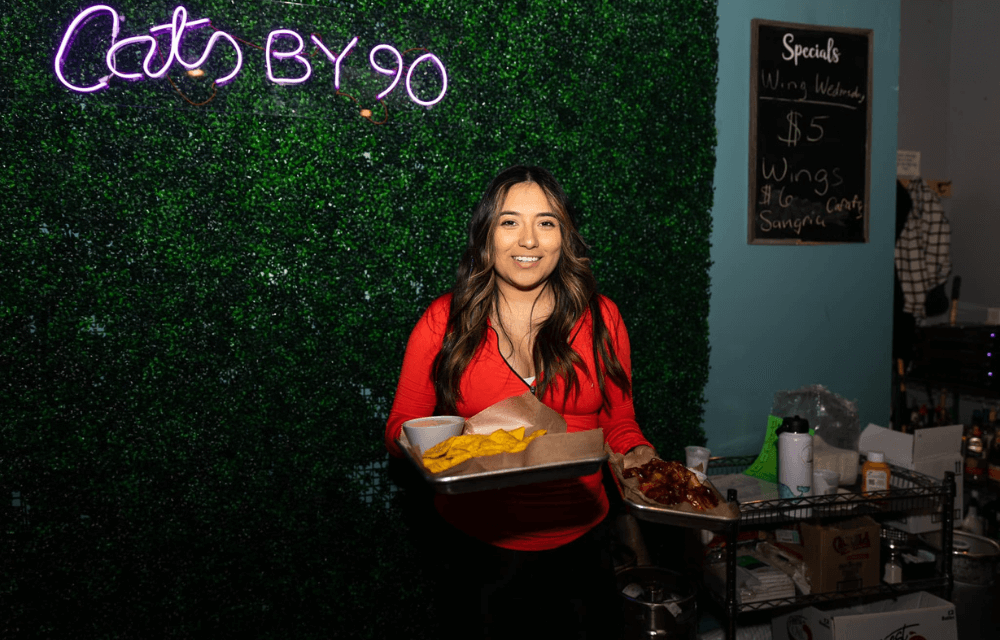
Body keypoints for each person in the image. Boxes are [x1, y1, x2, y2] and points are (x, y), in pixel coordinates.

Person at [384, 165, 655, 640]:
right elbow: (400, 425)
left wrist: (636, 455)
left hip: (583, 546)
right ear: (486, 235)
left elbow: (620, 421)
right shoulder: (442, 322)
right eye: (510, 222)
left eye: (546, 223)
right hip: (478, 552)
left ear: (564, 238)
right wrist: (446, 444)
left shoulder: (603, 318)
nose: (528, 240)